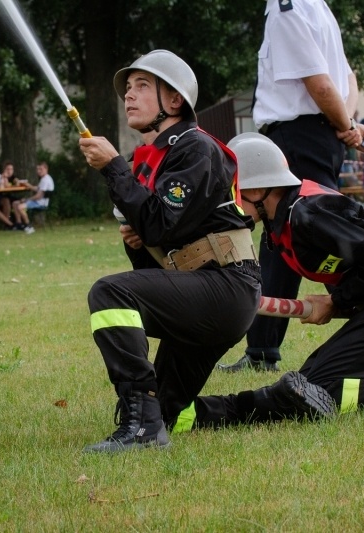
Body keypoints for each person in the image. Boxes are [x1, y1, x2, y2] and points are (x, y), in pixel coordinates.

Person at [170, 133, 364, 434]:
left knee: (313, 390)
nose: (232, 203)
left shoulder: (308, 213)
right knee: (309, 382)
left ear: (259, 189)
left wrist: (335, 301)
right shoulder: (286, 217)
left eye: (235, 192)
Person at [76, 49, 262, 453]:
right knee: (167, 412)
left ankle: (142, 430)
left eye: (142, 86)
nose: (129, 94)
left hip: (225, 288)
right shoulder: (149, 160)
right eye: (128, 87)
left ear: (175, 100)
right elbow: (153, 256)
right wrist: (138, 241)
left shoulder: (195, 148)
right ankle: (270, 404)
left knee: (109, 293)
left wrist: (113, 168)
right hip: (202, 287)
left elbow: (159, 223)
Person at [221, 0, 364, 372]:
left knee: (321, 237)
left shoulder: (288, 8)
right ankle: (262, 351)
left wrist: (347, 126)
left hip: (299, 137)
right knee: (290, 239)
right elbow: (347, 80)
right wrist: (347, 125)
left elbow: (322, 85)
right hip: (318, 135)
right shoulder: (318, 8)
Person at [12, 162, 55, 234]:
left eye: (41, 169)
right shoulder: (44, 178)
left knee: (20, 207)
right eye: (38, 169)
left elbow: (39, 196)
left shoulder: (46, 180)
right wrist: (28, 185)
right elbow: (37, 189)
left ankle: (29, 226)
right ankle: (19, 224)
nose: (39, 171)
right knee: (15, 203)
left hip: (40, 203)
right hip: (38, 201)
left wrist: (26, 200)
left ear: (46, 169)